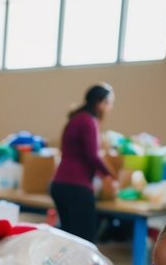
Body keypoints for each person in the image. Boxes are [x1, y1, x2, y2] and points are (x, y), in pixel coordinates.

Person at [49, 84, 118, 242]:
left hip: (60, 184)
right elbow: (93, 155)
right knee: (85, 240)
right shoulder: (89, 121)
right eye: (110, 103)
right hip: (76, 186)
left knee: (69, 238)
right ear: (101, 103)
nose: (110, 108)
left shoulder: (76, 118)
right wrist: (111, 175)